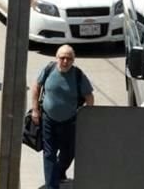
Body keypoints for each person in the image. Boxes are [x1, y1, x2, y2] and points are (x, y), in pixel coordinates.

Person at [31, 45, 95, 189]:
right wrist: (35, 110)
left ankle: (58, 172)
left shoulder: (78, 75)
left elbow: (89, 97)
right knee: (49, 153)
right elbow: (36, 87)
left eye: (69, 58)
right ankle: (51, 186)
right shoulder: (49, 70)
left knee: (69, 153)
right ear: (56, 58)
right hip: (48, 119)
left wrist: (86, 117)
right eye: (62, 58)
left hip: (70, 122)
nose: (65, 61)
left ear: (73, 60)